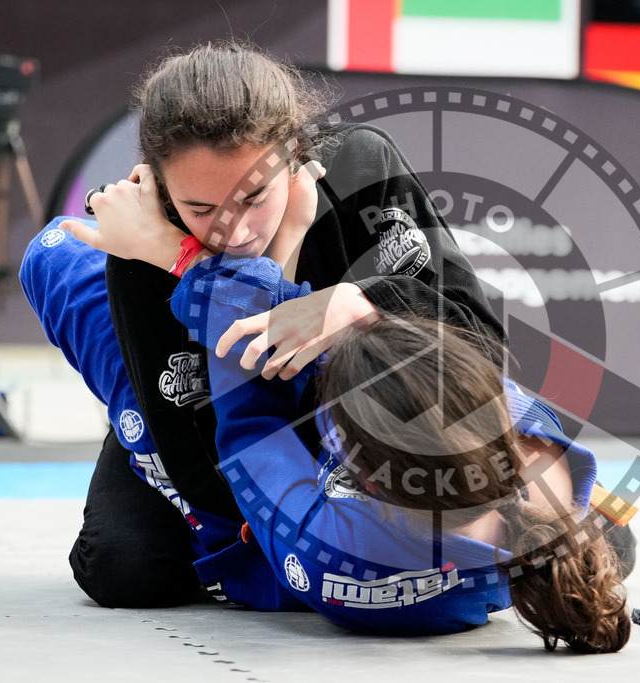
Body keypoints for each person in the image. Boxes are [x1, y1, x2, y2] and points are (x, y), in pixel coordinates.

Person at [35, 40, 506, 608]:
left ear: (292, 154)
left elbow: (483, 348)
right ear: (160, 188)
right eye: (201, 210)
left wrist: (362, 302)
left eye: (254, 196)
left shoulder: (360, 170)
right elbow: (208, 481)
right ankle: (114, 386)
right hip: (212, 420)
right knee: (123, 566)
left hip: (363, 419)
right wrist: (192, 263)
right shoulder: (144, 240)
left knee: (584, 545)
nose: (233, 233)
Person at [23, 222, 635, 649]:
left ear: (357, 475)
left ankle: (147, 391)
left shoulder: (337, 550)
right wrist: (350, 304)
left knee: (117, 561)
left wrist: (183, 256)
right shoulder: (543, 457)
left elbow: (249, 427)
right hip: (411, 499)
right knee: (620, 543)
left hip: (257, 504)